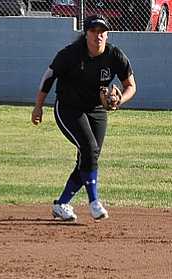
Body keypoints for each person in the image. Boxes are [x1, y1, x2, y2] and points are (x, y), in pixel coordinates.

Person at [31, 15, 136, 221]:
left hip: (96, 110)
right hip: (68, 108)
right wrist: (38, 107)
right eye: (93, 31)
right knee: (89, 149)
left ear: (107, 34)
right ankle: (94, 202)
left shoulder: (114, 55)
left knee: (89, 156)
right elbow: (49, 77)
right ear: (86, 33)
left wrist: (119, 100)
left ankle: (61, 204)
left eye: (102, 31)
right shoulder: (71, 54)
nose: (98, 35)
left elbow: (131, 85)